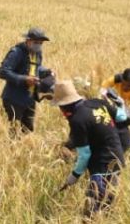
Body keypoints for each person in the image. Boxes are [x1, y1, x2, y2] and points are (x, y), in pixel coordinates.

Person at [52, 80, 125, 216]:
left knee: (93, 208)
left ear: (64, 106)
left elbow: (84, 155)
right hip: (118, 157)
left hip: (101, 165)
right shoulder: (96, 102)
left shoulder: (77, 120)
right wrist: (120, 104)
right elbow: (122, 116)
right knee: (107, 202)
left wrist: (74, 176)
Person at [0, 27, 51, 132]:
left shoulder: (38, 53)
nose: (38, 45)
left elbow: (36, 68)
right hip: (14, 99)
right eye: (36, 42)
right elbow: (3, 71)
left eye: (41, 43)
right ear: (28, 41)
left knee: (27, 131)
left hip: (30, 99)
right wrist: (24, 79)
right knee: (14, 131)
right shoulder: (17, 52)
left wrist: (46, 72)